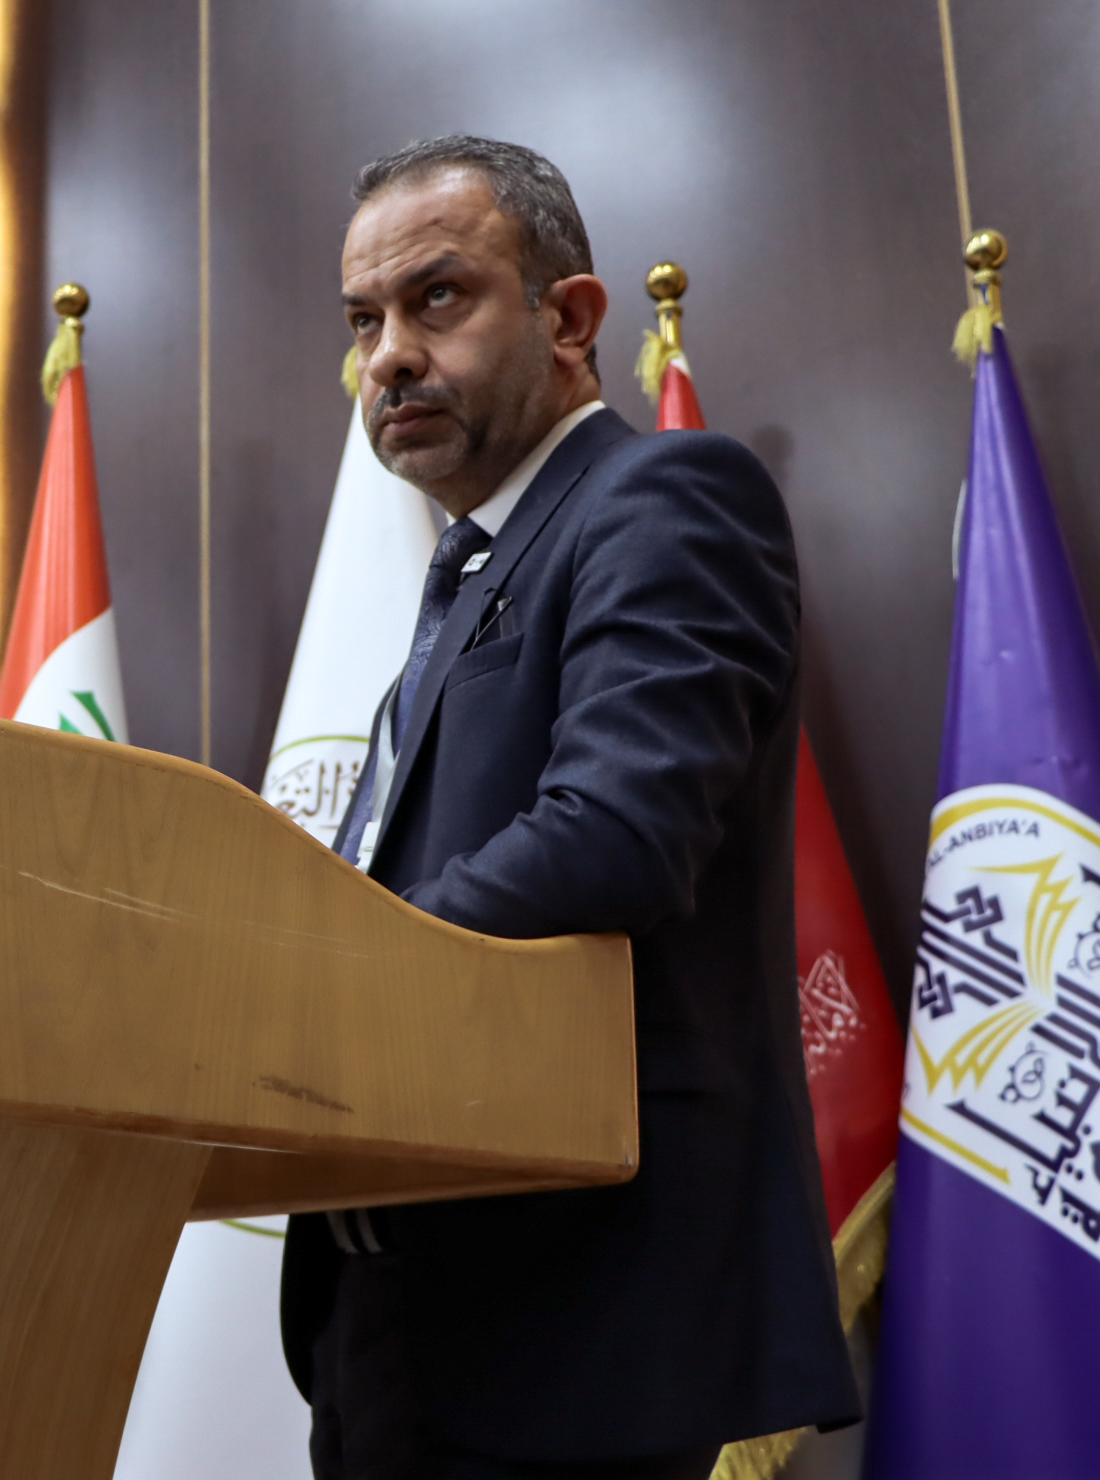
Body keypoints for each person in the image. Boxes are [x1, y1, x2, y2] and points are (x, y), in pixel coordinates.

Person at [284, 137, 859, 1480]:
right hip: (400, 1305)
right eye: (364, 322)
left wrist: (310, 981)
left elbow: (614, 835)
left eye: (437, 298)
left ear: (572, 319)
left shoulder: (661, 497)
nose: (389, 358)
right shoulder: (467, 573)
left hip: (569, 1310)